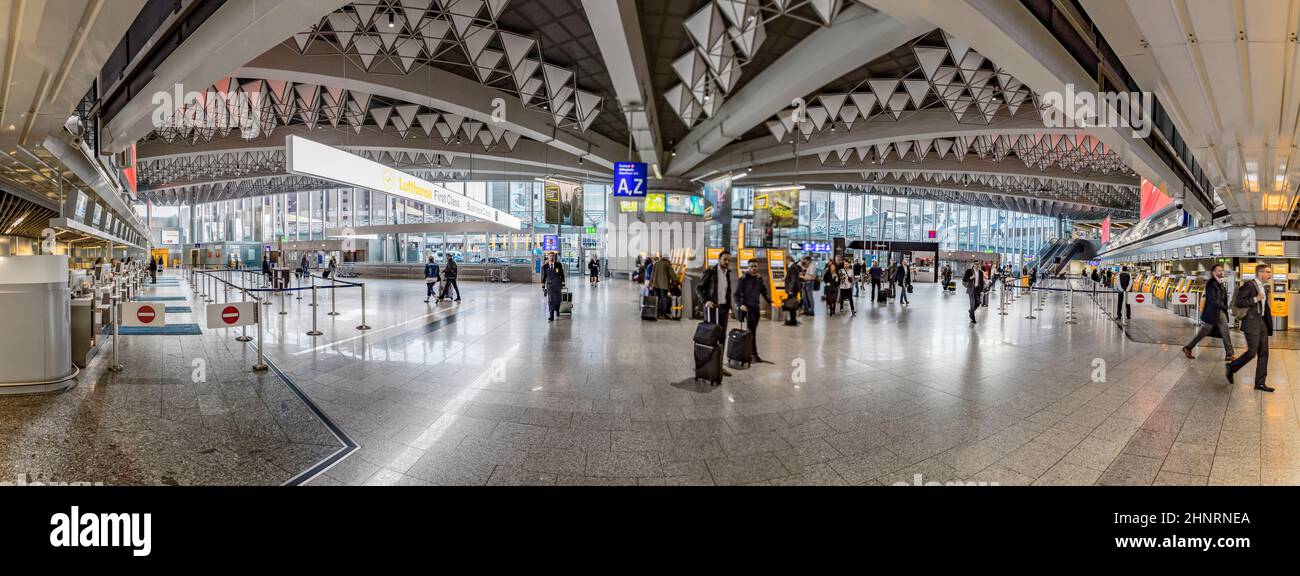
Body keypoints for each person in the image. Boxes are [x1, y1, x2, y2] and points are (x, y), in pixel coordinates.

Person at [1227, 264, 1275, 392]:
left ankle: (1260, 383)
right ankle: (1232, 367)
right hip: (1251, 323)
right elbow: (1239, 302)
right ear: (1260, 272)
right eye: (1267, 272)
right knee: (1252, 352)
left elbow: (1264, 306)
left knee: (1264, 353)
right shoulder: (1249, 285)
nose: (1270, 274)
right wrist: (1255, 298)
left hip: (1262, 323)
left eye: (1270, 272)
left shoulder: (1263, 287)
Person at [1182, 264, 1235, 363]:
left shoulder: (1220, 283)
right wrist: (1225, 308)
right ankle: (1188, 348)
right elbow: (1212, 300)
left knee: (1225, 332)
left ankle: (1229, 354)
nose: (1221, 272)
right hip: (1212, 313)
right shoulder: (1211, 284)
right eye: (1219, 270)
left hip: (1219, 312)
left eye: (1222, 270)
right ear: (1213, 272)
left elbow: (1222, 298)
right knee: (1204, 332)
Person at [697, 250, 736, 376]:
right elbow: (699, 288)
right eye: (725, 259)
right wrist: (705, 301)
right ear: (719, 259)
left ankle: (720, 364)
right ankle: (709, 364)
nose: (727, 262)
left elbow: (727, 292)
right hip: (713, 309)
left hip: (723, 309)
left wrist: (729, 307)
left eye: (729, 260)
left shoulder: (728, 273)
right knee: (711, 336)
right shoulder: (710, 272)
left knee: (722, 337)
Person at [734, 260, 772, 363]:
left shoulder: (759, 278)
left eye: (755, 266)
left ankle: (751, 353)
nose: (754, 268)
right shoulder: (743, 279)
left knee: (752, 331)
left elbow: (764, 291)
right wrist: (740, 304)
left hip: (756, 307)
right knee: (751, 331)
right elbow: (737, 294)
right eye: (751, 266)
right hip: (747, 308)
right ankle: (753, 354)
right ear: (748, 267)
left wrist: (770, 302)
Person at [543, 253, 566, 321]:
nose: (551, 257)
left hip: (557, 284)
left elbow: (562, 274)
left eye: (553, 256)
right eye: (550, 256)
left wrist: (563, 283)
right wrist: (543, 286)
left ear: (554, 257)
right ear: (548, 257)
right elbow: (544, 276)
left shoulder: (558, 265)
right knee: (551, 300)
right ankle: (551, 315)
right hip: (550, 285)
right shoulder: (545, 266)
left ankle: (557, 309)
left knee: (558, 300)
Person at [782, 258, 802, 326]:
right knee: (792, 305)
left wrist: (790, 290)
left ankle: (793, 321)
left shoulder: (792, 267)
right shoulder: (793, 266)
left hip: (792, 290)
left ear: (788, 260)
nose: (785, 262)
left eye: (785, 261)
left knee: (792, 305)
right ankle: (793, 319)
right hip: (793, 289)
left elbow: (793, 279)